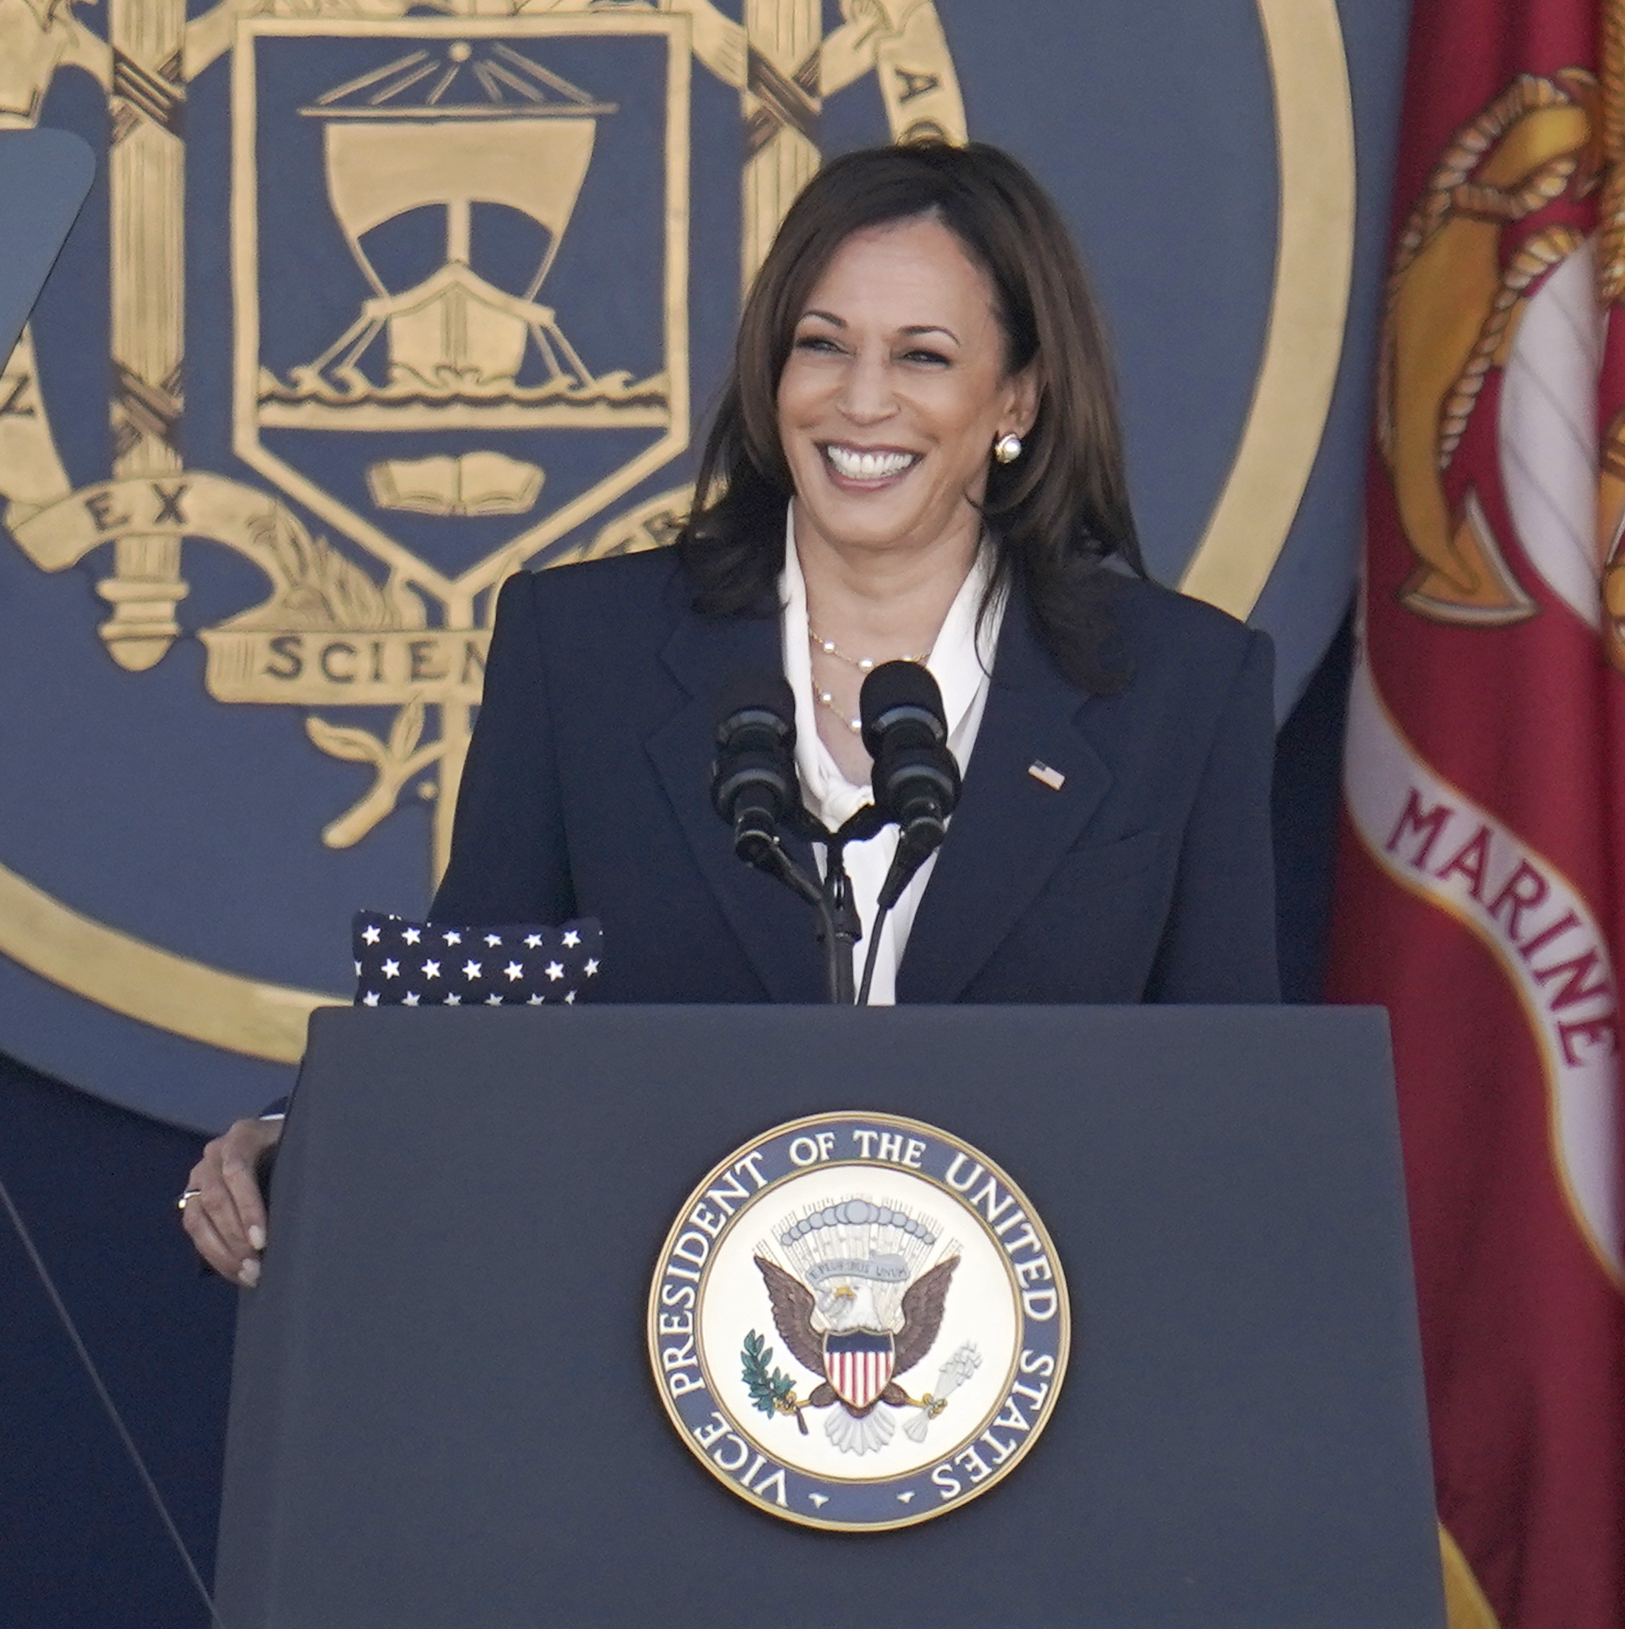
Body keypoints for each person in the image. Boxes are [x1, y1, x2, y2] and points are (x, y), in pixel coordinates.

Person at [183, 140, 1278, 1285]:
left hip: (1044, 1369)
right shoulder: (585, 652)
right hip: (652, 1358)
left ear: (1016, 395)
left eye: (922, 355)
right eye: (821, 345)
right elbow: (470, 1028)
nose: (861, 399)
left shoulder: (1176, 686)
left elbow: (1230, 1109)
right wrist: (302, 1141)